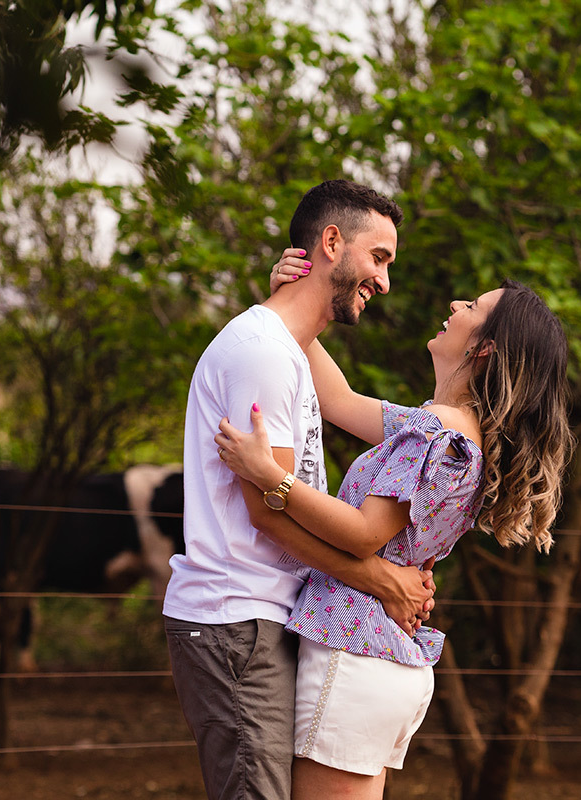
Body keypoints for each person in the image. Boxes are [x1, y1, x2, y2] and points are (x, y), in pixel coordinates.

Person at [214, 258, 574, 800]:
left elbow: (363, 534)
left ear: (485, 349)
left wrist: (271, 477)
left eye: (472, 307)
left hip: (353, 653)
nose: (456, 306)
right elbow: (339, 401)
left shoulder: (437, 433)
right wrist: (293, 301)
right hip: (380, 658)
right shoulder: (447, 429)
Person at [162, 181, 438, 800]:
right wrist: (378, 579)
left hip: (266, 617)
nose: (385, 282)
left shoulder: (286, 349)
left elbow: (342, 405)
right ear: (332, 242)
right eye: (380, 258)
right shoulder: (261, 352)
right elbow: (268, 515)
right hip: (236, 618)